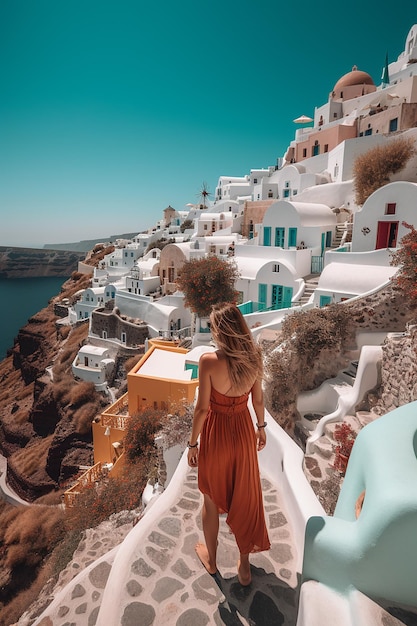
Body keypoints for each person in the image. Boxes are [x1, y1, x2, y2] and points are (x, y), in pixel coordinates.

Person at [187, 302, 270, 586]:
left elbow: (201, 410)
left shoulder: (209, 361)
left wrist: (192, 443)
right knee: (245, 496)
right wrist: (261, 428)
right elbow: (258, 400)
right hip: (244, 431)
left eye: (212, 325)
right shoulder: (254, 358)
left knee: (210, 499)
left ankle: (211, 559)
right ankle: (244, 566)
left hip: (217, 433)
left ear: (221, 330)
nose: (210, 330)